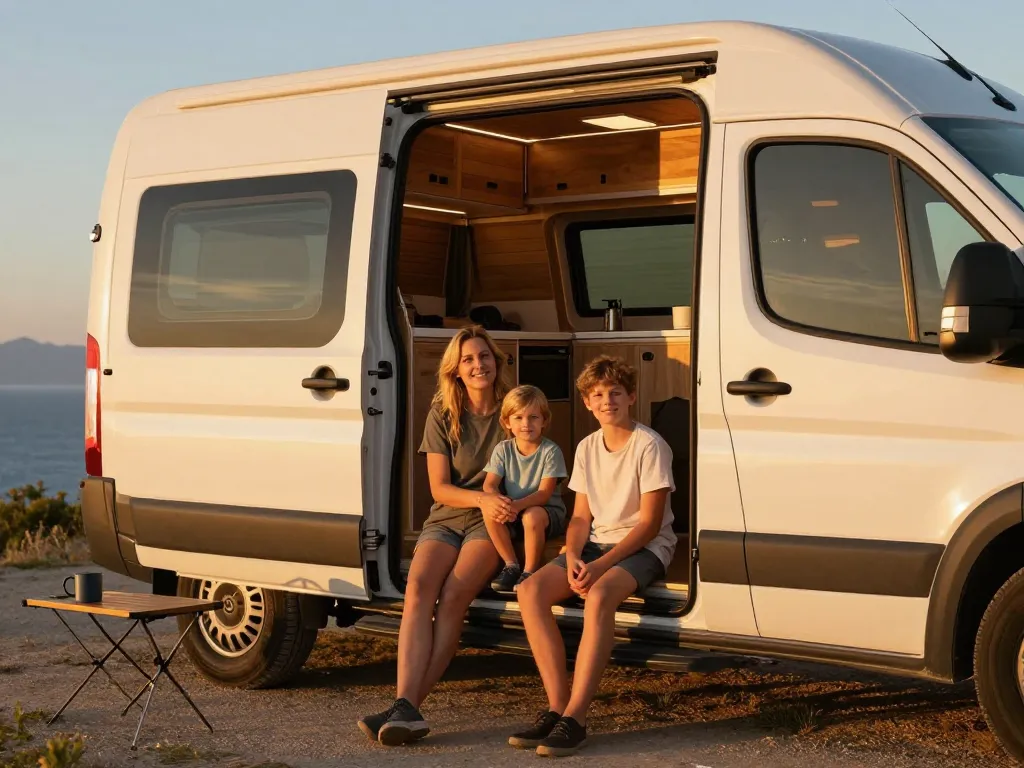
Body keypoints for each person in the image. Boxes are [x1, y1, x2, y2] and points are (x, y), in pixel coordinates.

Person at [511, 355, 677, 757]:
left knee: (600, 596)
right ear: (587, 402)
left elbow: (650, 525)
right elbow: (581, 515)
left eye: (615, 393)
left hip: (646, 547)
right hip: (595, 545)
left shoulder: (650, 445)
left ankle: (578, 718)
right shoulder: (586, 446)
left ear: (631, 396)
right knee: (530, 592)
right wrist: (570, 556)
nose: (607, 401)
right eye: (598, 394)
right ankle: (557, 707)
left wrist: (600, 566)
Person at [358, 326, 513, 746]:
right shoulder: (443, 415)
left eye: (484, 356)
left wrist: (493, 504)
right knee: (418, 590)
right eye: (468, 360)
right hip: (447, 517)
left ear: (496, 362)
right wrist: (478, 498)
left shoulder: (513, 411)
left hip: (492, 523)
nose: (478, 364)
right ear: (456, 371)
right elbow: (439, 488)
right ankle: (406, 707)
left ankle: (404, 707)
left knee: (453, 599)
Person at [481, 385, 568, 592]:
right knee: (489, 510)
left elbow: (544, 493)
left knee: (532, 516)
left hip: (546, 513)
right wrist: (498, 502)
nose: (526, 424)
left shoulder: (550, 451)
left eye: (533, 417)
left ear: (544, 421)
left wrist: (516, 506)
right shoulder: (503, 449)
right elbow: (489, 484)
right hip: (514, 511)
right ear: (507, 422)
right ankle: (511, 565)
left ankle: (529, 571)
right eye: (518, 418)